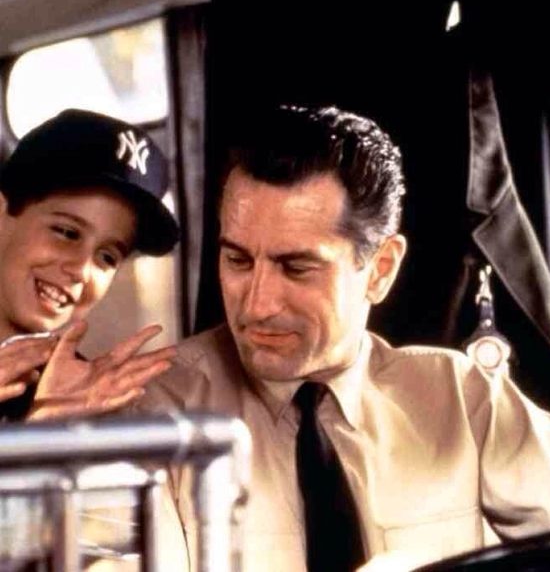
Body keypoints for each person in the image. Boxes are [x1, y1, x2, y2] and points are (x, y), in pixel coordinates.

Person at [139, 105, 550, 572]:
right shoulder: (154, 418)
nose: (256, 305)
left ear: (380, 270)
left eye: (296, 268)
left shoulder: (466, 399)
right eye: (238, 261)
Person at [0, 108, 179, 421]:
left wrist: (48, 427)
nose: (82, 270)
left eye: (107, 256)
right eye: (67, 233)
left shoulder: (85, 397)